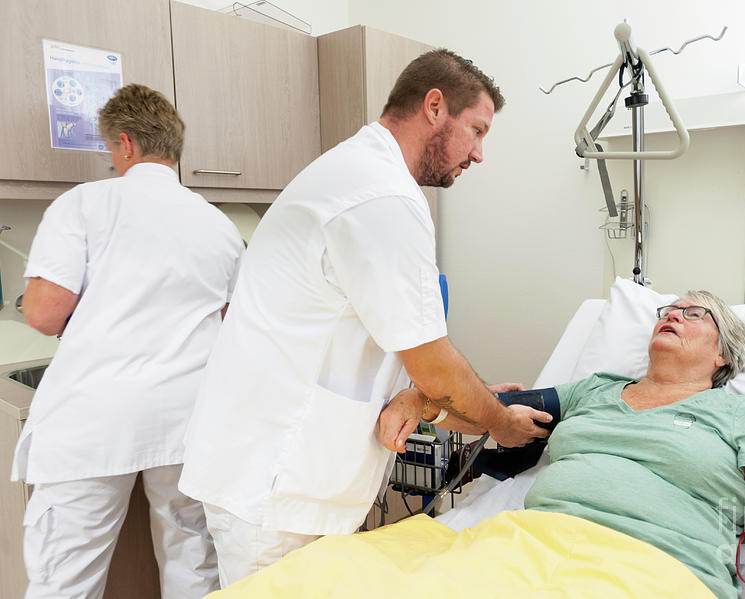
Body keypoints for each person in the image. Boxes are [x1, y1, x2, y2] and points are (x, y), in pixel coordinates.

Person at [178, 48, 551, 586]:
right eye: (477, 130)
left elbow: (389, 347)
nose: (479, 153)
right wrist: (501, 422)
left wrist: (422, 398)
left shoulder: (356, 171)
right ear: (434, 106)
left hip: (274, 474)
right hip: (277, 490)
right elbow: (434, 364)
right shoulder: (382, 197)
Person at [383, 290, 745, 599]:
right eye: (669, 310)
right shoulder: (595, 390)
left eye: (695, 315)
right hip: (526, 548)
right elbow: (490, 411)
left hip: (657, 571)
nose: (672, 315)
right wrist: (419, 401)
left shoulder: (742, 418)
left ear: (722, 355)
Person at [12, 84, 244, 598]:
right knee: (192, 559)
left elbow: (46, 316)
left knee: (65, 576)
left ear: (125, 143)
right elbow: (232, 323)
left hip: (96, 424)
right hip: (186, 422)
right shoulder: (219, 225)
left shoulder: (84, 204)